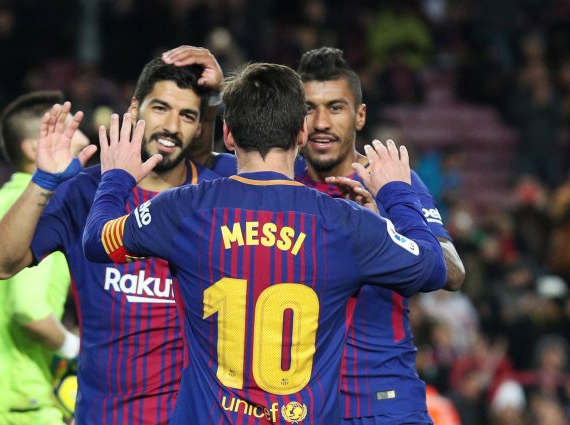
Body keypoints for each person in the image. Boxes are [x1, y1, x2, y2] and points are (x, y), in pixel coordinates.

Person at [82, 62, 447, 424]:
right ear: (302, 133)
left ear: (227, 133)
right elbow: (433, 267)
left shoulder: (182, 209)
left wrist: (115, 178)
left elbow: (98, 241)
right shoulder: (347, 223)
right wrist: (398, 193)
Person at [0, 53, 223, 425]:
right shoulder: (83, 191)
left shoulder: (220, 193)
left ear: (199, 124)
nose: (172, 126)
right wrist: (43, 181)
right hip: (103, 416)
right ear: (134, 107)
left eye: (187, 115)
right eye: (161, 108)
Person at [295, 47, 466, 424]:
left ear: (360, 116)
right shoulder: (280, 180)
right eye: (309, 108)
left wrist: (384, 231)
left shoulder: (391, 179)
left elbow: (452, 272)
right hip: (299, 401)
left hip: (382, 399)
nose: (321, 121)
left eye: (336, 107)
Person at [0, 91, 85, 425]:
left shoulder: (4, 201)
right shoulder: (37, 212)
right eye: (65, 128)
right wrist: (78, 350)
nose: (81, 136)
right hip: (13, 407)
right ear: (34, 149)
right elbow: (28, 311)